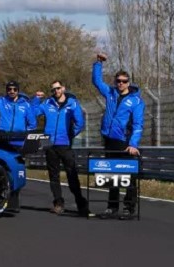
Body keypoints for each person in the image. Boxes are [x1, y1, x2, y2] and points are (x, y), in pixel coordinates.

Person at [93, 53, 145, 220]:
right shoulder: (110, 93)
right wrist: (98, 63)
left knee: (128, 176)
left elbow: (138, 125)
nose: (120, 84)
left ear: (129, 82)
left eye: (123, 81)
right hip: (109, 139)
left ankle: (129, 208)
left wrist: (133, 144)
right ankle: (112, 207)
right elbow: (96, 81)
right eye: (118, 81)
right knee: (111, 174)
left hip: (125, 142)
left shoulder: (136, 101)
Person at [32, 81, 88, 216]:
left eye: (58, 88)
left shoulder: (72, 103)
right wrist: (36, 99)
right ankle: (58, 203)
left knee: (72, 174)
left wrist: (70, 134)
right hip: (49, 144)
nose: (56, 91)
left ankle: (81, 204)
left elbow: (80, 122)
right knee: (53, 176)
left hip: (65, 144)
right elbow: (33, 113)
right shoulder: (47, 103)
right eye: (53, 89)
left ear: (63, 88)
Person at [0, 74, 37, 149]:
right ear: (6, 91)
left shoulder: (26, 105)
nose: (12, 91)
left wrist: (24, 133)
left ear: (18, 91)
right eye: (9, 89)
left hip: (19, 141)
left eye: (14, 89)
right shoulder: (1, 101)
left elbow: (32, 123)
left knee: (17, 160)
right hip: (3, 140)